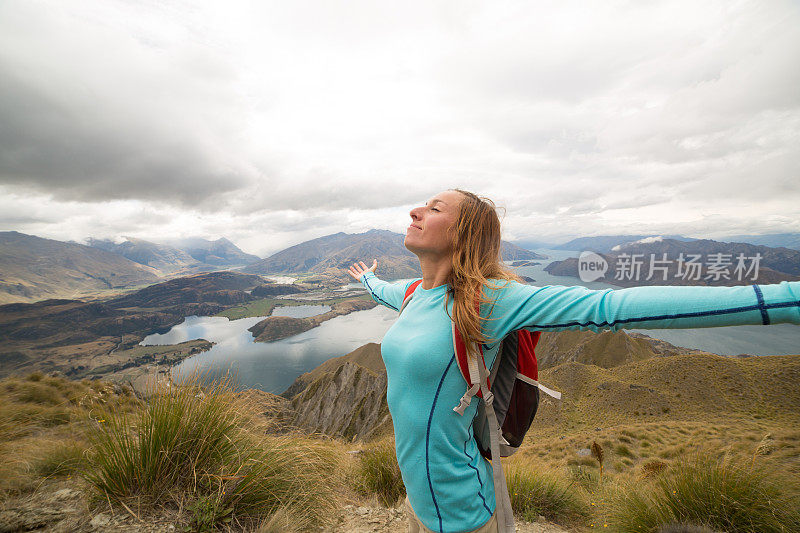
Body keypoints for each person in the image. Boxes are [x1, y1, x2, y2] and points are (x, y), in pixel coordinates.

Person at [347, 188, 800, 533]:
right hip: (417, 502)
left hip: (463, 512)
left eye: (434, 208)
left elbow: (609, 309)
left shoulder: (488, 301)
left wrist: (786, 299)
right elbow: (381, 292)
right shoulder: (412, 293)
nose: (416, 211)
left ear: (464, 233)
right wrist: (368, 279)